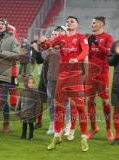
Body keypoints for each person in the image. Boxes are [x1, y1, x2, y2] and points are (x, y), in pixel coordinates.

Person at [42, 16, 89, 152]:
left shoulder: (81, 37)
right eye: (67, 21)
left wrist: (77, 58)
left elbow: (85, 51)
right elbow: (48, 44)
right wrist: (43, 43)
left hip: (75, 76)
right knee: (59, 107)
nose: (69, 23)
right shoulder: (61, 38)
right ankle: (57, 136)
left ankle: (84, 138)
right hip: (62, 76)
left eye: (72, 21)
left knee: (80, 107)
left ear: (77, 24)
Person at [86, 16, 114, 141]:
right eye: (92, 22)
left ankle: (108, 129)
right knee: (90, 101)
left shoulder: (108, 37)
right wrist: (88, 45)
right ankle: (94, 127)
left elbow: (109, 52)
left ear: (101, 24)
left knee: (105, 102)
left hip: (103, 73)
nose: (92, 24)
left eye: (94, 22)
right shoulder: (88, 37)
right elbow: (84, 53)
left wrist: (97, 44)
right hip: (91, 73)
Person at [15, 75, 41, 140]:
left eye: (32, 83)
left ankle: (31, 135)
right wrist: (17, 109)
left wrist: (37, 112)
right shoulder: (23, 92)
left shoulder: (35, 92)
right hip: (24, 112)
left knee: (31, 124)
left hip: (32, 113)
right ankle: (23, 135)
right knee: (24, 124)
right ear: (26, 83)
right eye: (29, 83)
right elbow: (19, 101)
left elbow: (38, 103)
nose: (31, 84)